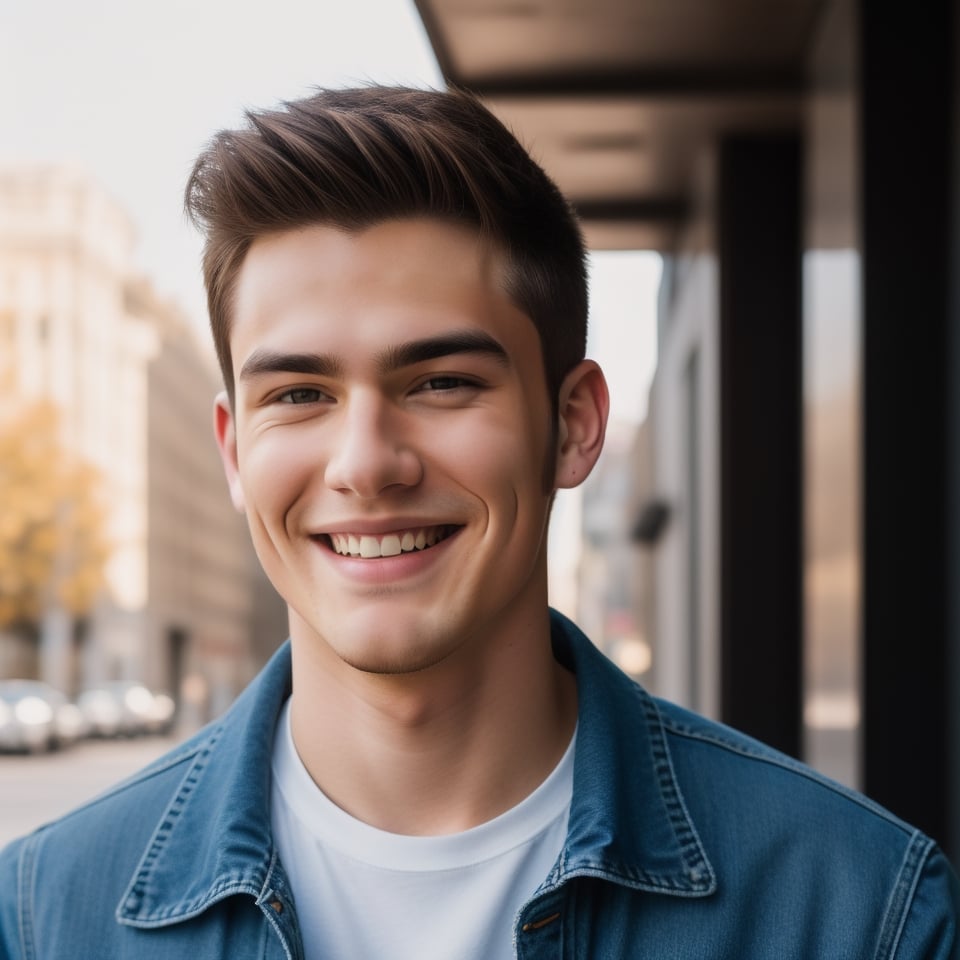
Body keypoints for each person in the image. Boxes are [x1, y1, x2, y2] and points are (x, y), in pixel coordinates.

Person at [0, 86, 956, 960]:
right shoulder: (47, 919)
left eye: (443, 382)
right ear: (234, 450)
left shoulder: (858, 910)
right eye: (299, 393)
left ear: (573, 427)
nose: (367, 462)